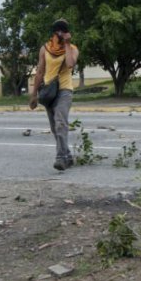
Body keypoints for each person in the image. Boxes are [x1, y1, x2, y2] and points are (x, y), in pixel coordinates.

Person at [29, 19, 80, 170]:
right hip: (48, 91)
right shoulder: (45, 49)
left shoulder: (72, 48)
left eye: (63, 31)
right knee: (54, 127)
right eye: (58, 30)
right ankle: (68, 155)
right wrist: (33, 94)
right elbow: (39, 71)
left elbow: (70, 64)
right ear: (53, 32)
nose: (60, 33)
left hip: (64, 90)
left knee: (60, 122)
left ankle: (61, 157)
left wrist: (67, 44)